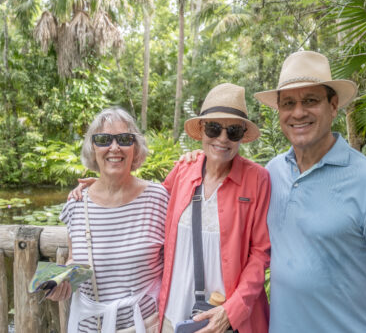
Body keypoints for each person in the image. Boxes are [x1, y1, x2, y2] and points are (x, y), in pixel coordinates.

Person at [71, 84, 271, 333]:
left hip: (225, 319)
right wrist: (103, 184)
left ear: (241, 135)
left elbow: (261, 254)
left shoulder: (258, 179)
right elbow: (143, 196)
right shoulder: (184, 170)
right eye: (213, 128)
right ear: (201, 132)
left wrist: (231, 312)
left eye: (232, 131)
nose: (222, 138)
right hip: (172, 315)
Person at [253, 50, 366, 332]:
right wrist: (198, 159)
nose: (298, 112)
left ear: (333, 106)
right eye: (288, 103)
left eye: (310, 100)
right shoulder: (272, 172)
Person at [49, 107, 168, 333]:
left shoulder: (158, 198)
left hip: (144, 326)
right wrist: (62, 282)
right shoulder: (76, 203)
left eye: (124, 139)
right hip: (89, 326)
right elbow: (74, 260)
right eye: (103, 139)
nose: (114, 147)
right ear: (93, 148)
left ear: (135, 147)